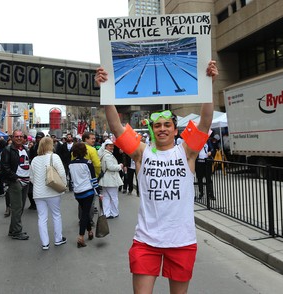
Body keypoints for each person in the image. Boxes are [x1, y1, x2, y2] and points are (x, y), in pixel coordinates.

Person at [95, 60, 218, 294]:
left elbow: (205, 122)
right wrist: (106, 91)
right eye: (157, 125)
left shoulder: (187, 152)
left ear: (175, 129)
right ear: (152, 129)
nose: (162, 128)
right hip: (146, 241)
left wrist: (208, 84)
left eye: (167, 125)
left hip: (181, 240)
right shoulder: (142, 153)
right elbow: (116, 127)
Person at [30, 136, 67, 250]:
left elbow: (31, 177)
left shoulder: (35, 160)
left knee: (42, 217)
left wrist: (38, 185)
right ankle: (58, 239)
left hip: (38, 193)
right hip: (53, 191)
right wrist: (63, 186)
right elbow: (62, 174)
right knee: (56, 215)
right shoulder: (54, 157)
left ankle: (45, 243)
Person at [69, 142, 101, 248]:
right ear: (84, 151)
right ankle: (81, 237)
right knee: (84, 214)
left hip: (77, 192)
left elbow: (71, 179)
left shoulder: (71, 164)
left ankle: (90, 231)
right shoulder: (88, 163)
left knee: (85, 212)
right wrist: (99, 192)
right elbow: (93, 180)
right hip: (88, 192)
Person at [0, 130, 30, 240]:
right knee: (17, 208)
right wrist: (15, 178)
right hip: (15, 182)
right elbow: (5, 167)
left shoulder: (26, 149)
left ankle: (13, 230)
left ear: (24, 138)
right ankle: (17, 231)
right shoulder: (8, 150)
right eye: (16, 136)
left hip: (26, 181)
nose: (18, 138)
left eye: (21, 136)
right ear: (12, 138)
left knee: (20, 207)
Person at [98, 139, 123, 219]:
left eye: (112, 145)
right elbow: (110, 167)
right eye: (110, 145)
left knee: (106, 197)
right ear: (106, 146)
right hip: (111, 178)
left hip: (106, 178)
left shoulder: (104, 154)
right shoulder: (107, 155)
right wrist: (120, 166)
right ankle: (114, 213)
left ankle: (106, 213)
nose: (112, 147)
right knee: (114, 197)